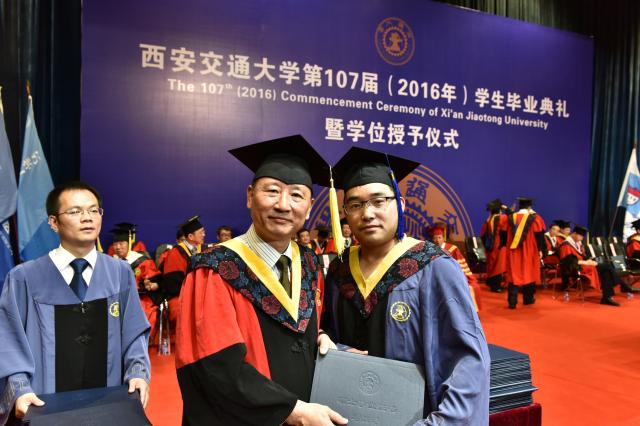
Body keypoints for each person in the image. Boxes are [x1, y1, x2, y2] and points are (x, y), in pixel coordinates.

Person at [175, 135, 347, 425]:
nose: (283, 205)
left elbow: (304, 326)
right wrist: (291, 410)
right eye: (272, 191)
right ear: (249, 195)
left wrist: (320, 336)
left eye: (296, 195)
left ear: (309, 206)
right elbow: (214, 365)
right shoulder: (215, 268)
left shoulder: (309, 261)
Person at [325, 147, 490, 424]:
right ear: (345, 213)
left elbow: (469, 363)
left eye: (379, 201)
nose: (367, 213)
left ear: (401, 204)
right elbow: (328, 333)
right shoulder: (339, 269)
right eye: (355, 205)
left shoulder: (434, 266)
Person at [0, 181, 150, 424]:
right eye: (75, 211)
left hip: (110, 405)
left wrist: (138, 373)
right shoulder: (24, 278)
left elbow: (134, 333)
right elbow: (8, 341)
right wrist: (20, 389)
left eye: (93, 210)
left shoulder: (120, 273)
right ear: (53, 222)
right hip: (45, 408)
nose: (87, 217)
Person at [559, 225, 638, 306]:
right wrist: (586, 263)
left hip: (584, 265)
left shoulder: (576, 243)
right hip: (576, 268)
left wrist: (589, 260)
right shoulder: (566, 245)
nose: (582, 238)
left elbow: (583, 257)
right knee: (606, 266)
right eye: (581, 236)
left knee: (606, 270)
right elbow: (568, 262)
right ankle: (622, 286)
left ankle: (607, 297)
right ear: (575, 234)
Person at [111, 228, 169, 335]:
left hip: (140, 298)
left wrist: (151, 284)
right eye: (115, 244)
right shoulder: (111, 262)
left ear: (129, 243)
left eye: (121, 243)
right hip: (117, 299)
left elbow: (156, 280)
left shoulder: (142, 261)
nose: (118, 247)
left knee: (143, 312)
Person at [426, 223, 482, 310]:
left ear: (443, 238)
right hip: (436, 277)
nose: (437, 240)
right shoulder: (430, 250)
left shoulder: (452, 249)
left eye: (439, 237)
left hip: (452, 276)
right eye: (435, 238)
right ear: (432, 239)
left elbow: (461, 264)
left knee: (470, 287)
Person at [505, 197, 546, 309]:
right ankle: (528, 299)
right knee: (529, 272)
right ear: (529, 207)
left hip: (513, 250)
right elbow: (539, 235)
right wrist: (540, 250)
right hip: (530, 250)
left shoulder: (510, 217)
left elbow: (504, 234)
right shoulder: (536, 218)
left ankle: (512, 301)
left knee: (513, 274)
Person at [161, 216, 205, 303]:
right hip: (182, 297)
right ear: (191, 236)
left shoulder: (204, 249)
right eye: (201, 232)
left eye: (203, 231)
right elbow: (173, 285)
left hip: (202, 294)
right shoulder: (175, 253)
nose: (204, 235)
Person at [480, 199, 508, 292]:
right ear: (500, 209)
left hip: (489, 246)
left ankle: (491, 283)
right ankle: (496, 286)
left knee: (491, 264)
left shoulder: (488, 220)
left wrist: (487, 245)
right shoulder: (502, 218)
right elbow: (512, 218)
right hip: (499, 244)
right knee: (498, 265)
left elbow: (482, 235)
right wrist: (506, 208)